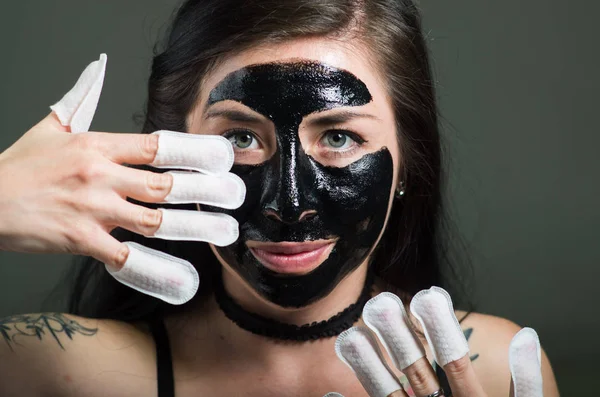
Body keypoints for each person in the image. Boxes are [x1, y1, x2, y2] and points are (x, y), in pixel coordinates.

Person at [0, 0, 559, 396]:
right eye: (239, 138)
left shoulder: (493, 370)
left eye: (339, 138)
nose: (289, 206)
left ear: (406, 159)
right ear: (170, 151)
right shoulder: (49, 371)